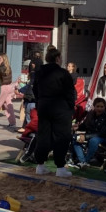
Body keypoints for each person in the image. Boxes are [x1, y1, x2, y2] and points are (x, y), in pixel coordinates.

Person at [33, 47, 77, 178]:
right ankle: (60, 167)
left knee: (43, 134)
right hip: (60, 107)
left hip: (44, 106)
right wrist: (71, 107)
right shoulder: (63, 73)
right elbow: (70, 93)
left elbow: (35, 89)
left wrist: (40, 101)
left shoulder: (39, 72)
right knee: (61, 136)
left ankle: (40, 165)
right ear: (58, 58)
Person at [72, 97, 106, 168]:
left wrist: (86, 136)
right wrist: (77, 128)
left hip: (103, 138)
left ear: (104, 107)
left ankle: (86, 161)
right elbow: (85, 125)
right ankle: (82, 161)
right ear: (94, 106)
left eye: (102, 107)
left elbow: (103, 133)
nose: (99, 108)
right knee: (75, 138)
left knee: (93, 140)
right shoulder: (90, 114)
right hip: (90, 135)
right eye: (97, 106)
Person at [0, 54, 19, 130]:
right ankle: (13, 123)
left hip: (3, 87)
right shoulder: (8, 67)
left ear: (3, 59)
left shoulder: (2, 67)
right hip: (8, 87)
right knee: (9, 105)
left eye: (0, 58)